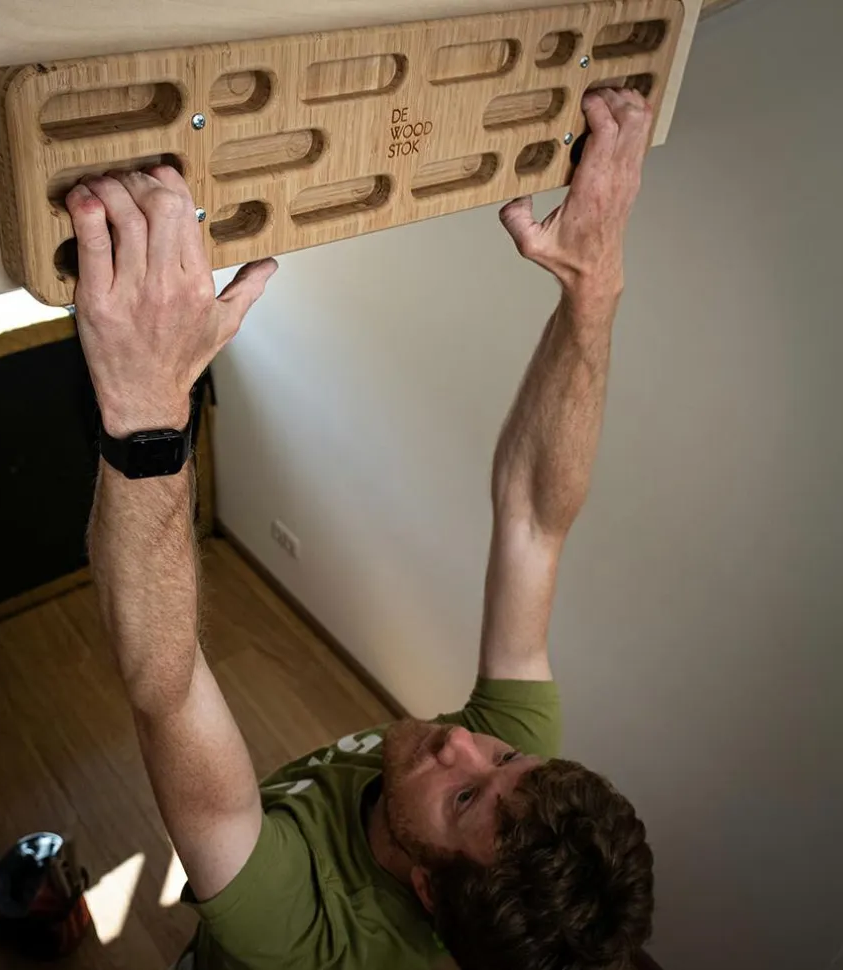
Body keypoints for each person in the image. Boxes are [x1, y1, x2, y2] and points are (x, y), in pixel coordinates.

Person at [65, 86, 655, 970]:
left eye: (463, 798)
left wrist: (147, 414)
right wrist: (594, 284)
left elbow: (166, 688)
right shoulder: (526, 793)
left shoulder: (300, 929)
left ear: (427, 890)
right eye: (503, 758)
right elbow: (535, 522)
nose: (463, 742)